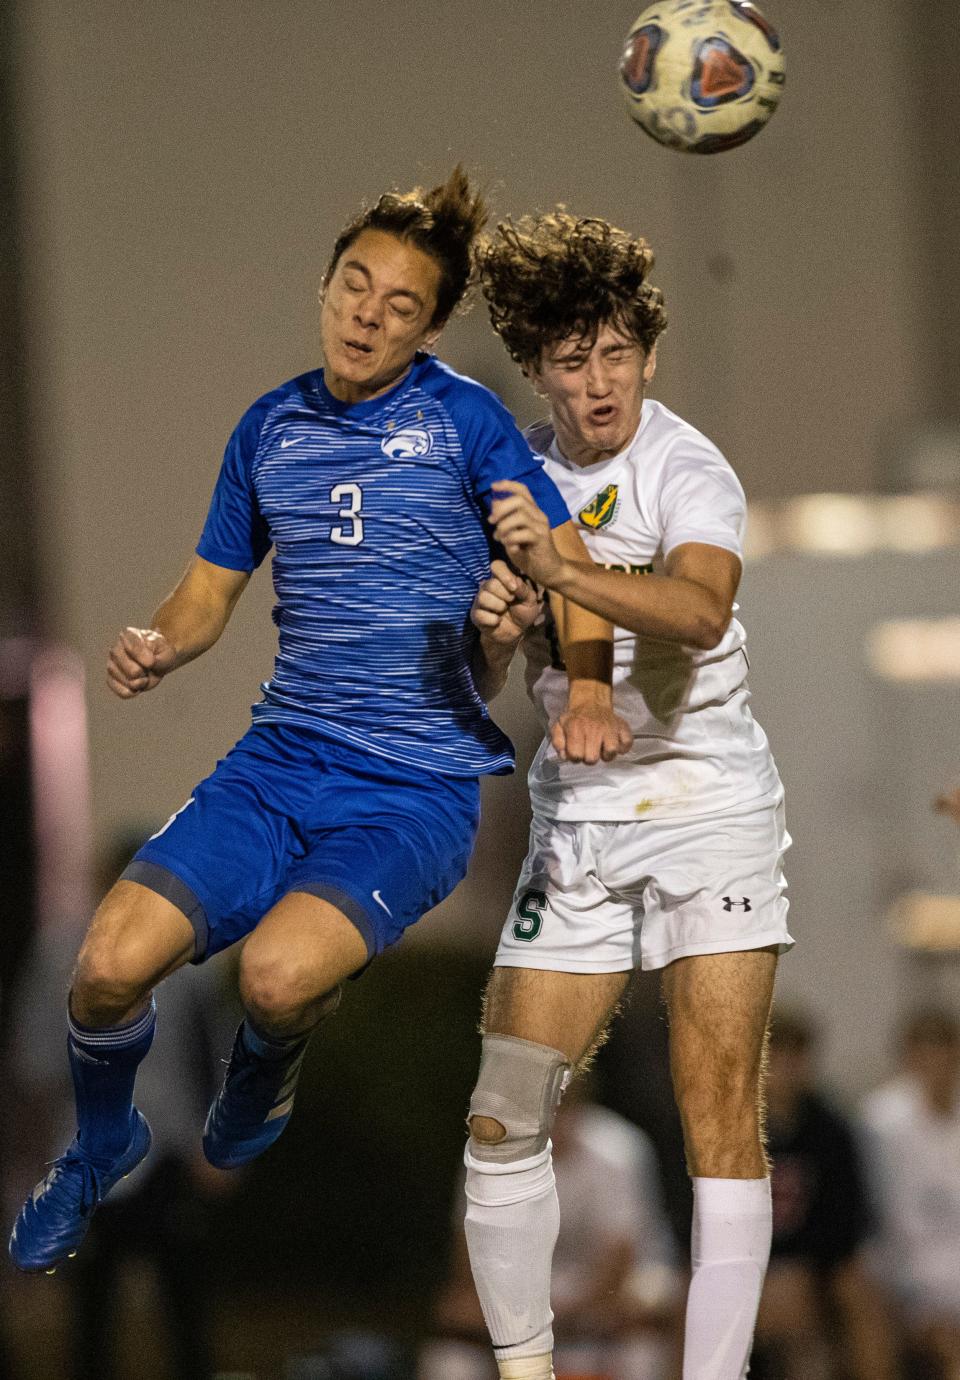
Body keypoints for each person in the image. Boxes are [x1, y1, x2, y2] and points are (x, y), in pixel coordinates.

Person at [8, 169, 630, 1276]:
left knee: (276, 981)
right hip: (278, 764)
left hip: (410, 794)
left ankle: (267, 1060)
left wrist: (584, 687)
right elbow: (207, 591)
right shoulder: (272, 427)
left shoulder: (466, 424)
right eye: (356, 285)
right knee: (102, 971)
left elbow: (570, 566)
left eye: (401, 306)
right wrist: (161, 641)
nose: (367, 314)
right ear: (328, 286)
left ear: (429, 331)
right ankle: (104, 1146)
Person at [460, 210, 793, 1380]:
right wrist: (498, 629)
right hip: (582, 817)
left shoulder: (687, 466)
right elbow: (491, 658)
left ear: (646, 355)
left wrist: (567, 570)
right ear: (538, 369)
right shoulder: (509, 469)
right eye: (568, 358)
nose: (595, 383)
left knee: (717, 1118)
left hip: (708, 803)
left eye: (613, 354)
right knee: (504, 1106)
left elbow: (701, 612)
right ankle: (523, 1370)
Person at [420, 1081, 682, 1380]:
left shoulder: (618, 1150)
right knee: (451, 1351)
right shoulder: (488, 1153)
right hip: (528, 1294)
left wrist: (560, 1314)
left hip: (606, 1289)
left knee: (649, 1302)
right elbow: (470, 1253)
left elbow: (620, 1259)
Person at [751, 1007, 896, 1380]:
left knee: (861, 1299)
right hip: (746, 1260)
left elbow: (846, 1215)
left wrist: (807, 1266)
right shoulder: (733, 1126)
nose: (786, 1067)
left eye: (795, 1055)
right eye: (776, 1054)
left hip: (815, 1262)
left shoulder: (830, 1130)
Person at [860, 1006, 960, 1380]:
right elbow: (887, 1220)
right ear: (908, 1058)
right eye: (925, 1052)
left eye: (943, 1050)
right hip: (907, 1276)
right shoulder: (883, 1122)